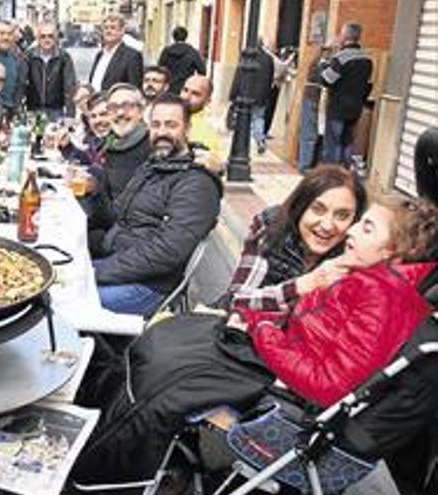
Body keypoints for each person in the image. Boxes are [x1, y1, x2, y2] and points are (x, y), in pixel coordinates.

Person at [73, 193, 438, 486]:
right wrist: (264, 322)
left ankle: (105, 468)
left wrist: (263, 332)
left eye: (367, 227)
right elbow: (311, 326)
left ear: (393, 251)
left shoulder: (380, 299)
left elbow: (327, 385)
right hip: (283, 361)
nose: (352, 230)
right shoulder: (365, 278)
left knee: (168, 378)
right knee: (170, 335)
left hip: (291, 395)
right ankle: (104, 420)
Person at [90, 93, 222, 316]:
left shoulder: (197, 183)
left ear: (187, 129)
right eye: (156, 124)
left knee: (60, 302)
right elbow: (116, 215)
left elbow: (167, 251)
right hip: (117, 264)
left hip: (149, 287)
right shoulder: (152, 167)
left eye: (171, 125)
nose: (162, 132)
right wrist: (95, 190)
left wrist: (97, 271)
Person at [218, 165, 366, 312]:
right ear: (300, 207)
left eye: (342, 216)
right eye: (317, 209)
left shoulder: (355, 254)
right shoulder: (272, 228)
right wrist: (302, 285)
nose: (327, 225)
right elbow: (236, 300)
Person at [320, 22, 373, 165]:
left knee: (334, 143)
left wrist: (324, 63)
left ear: (345, 36)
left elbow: (327, 80)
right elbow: (368, 85)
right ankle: (345, 172)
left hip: (338, 107)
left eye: (341, 34)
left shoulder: (340, 58)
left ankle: (333, 175)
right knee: (348, 142)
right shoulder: (368, 59)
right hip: (355, 109)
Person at [229, 40, 275, 154]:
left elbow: (238, 76)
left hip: (246, 94)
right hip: (261, 96)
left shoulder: (246, 57)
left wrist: (233, 94)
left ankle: (246, 146)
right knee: (258, 118)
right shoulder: (268, 59)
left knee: (245, 119)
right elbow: (270, 78)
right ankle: (259, 140)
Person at [25, 22, 77, 118]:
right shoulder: (29, 57)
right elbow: (21, 83)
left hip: (56, 110)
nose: (46, 40)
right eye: (43, 36)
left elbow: (70, 87)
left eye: (50, 36)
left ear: (56, 38)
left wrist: (70, 115)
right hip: (33, 110)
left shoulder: (64, 57)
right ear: (38, 38)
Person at [180, 74, 224, 173]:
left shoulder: (207, 131)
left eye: (195, 94)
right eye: (185, 90)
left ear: (207, 101)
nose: (187, 97)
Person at [88, 14, 143, 92]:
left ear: (122, 31)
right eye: (106, 28)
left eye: (113, 28)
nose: (108, 31)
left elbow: (134, 88)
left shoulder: (132, 56)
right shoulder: (100, 55)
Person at [298, 46, 331, 171]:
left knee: (312, 133)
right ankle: (305, 165)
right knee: (310, 133)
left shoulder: (317, 64)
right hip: (314, 100)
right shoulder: (321, 66)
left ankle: (307, 164)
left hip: (313, 99)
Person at [158, 26, 207, 95]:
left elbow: (160, 68)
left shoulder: (166, 51)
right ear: (186, 37)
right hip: (185, 87)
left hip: (169, 87)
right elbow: (202, 70)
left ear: (173, 37)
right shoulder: (192, 52)